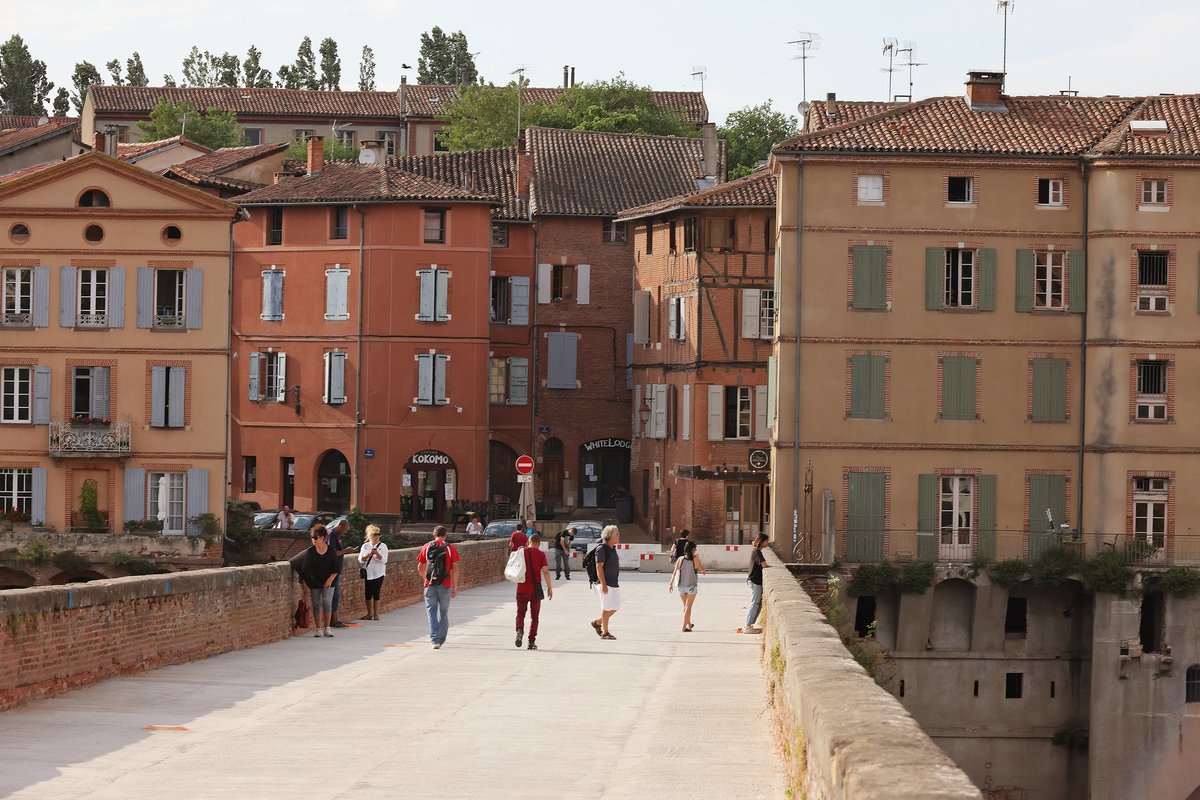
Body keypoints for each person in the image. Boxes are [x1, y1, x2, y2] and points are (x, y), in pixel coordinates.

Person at [288, 526, 340, 638]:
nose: (313, 539)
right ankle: (318, 629)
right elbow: (300, 565)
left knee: (327, 603)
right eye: (312, 537)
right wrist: (304, 584)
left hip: (329, 582)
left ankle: (327, 628)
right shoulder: (310, 552)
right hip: (314, 582)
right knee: (316, 605)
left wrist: (330, 579)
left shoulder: (330, 551)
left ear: (322, 538)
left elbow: (336, 568)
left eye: (315, 537)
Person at [417, 526, 460, 649]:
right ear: (445, 535)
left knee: (431, 612)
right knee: (443, 612)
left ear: (433, 535)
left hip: (430, 585)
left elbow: (420, 566)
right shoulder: (450, 548)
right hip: (445, 584)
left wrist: (426, 579)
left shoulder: (426, 547)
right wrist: (455, 586)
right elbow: (455, 567)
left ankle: (434, 639)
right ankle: (441, 639)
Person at [515, 533, 553, 650]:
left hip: (521, 588)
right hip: (535, 590)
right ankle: (531, 642)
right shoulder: (541, 554)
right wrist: (549, 587)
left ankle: (520, 629)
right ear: (539, 543)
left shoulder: (521, 552)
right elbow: (546, 571)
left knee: (520, 613)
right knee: (535, 616)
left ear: (528, 542)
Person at [668, 529, 705, 632]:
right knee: (688, 607)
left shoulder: (680, 559)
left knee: (686, 606)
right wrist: (699, 564)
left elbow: (675, 572)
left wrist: (670, 583)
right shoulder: (695, 559)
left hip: (681, 586)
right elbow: (702, 569)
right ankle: (684, 627)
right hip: (692, 586)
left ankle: (689, 624)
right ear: (693, 550)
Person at [591, 525, 620, 640]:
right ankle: (605, 632)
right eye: (616, 534)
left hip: (614, 582)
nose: (619, 536)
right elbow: (599, 567)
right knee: (606, 607)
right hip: (605, 583)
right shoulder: (601, 548)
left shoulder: (613, 548)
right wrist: (603, 584)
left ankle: (597, 623)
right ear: (610, 536)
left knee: (616, 606)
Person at [358, 525, 388, 621]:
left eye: (379, 534)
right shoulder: (365, 546)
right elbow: (360, 559)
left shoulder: (383, 546)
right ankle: (369, 614)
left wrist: (377, 554)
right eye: (375, 534)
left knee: (376, 593)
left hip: (379, 573)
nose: (377, 536)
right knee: (367, 593)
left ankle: (376, 615)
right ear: (371, 535)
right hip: (368, 572)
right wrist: (367, 555)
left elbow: (384, 560)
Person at [326, 517, 352, 628]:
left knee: (335, 596)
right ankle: (332, 620)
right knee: (333, 596)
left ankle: (335, 619)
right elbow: (332, 553)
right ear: (340, 526)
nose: (345, 532)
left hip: (336, 571)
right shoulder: (331, 535)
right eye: (345, 529)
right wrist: (346, 551)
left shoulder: (337, 535)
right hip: (331, 571)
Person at [744, 533, 770, 634]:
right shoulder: (757, 552)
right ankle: (748, 626)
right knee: (755, 603)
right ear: (762, 542)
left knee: (757, 604)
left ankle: (750, 625)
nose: (767, 543)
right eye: (766, 541)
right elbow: (764, 564)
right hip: (755, 581)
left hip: (755, 581)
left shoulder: (757, 551)